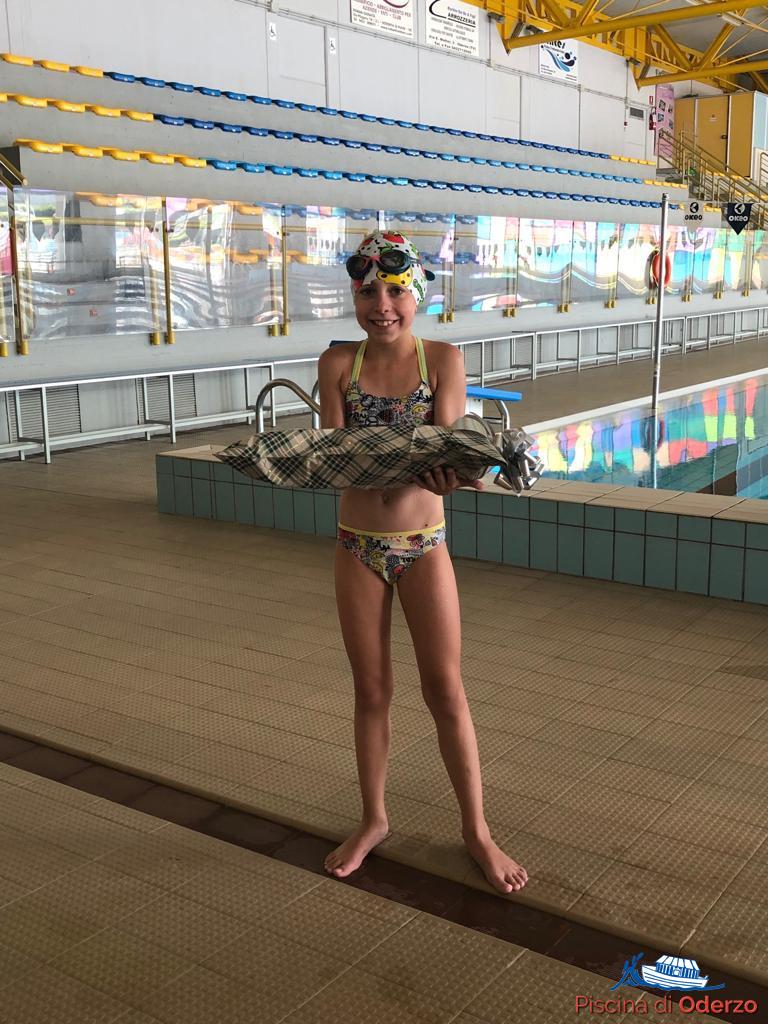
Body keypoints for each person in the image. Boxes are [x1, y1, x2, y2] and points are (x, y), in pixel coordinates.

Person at [316, 230, 528, 895]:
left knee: (445, 691)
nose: (381, 306)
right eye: (368, 293)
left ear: (418, 296)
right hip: (357, 545)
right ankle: (373, 818)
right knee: (371, 691)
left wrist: (459, 477)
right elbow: (332, 460)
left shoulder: (443, 360)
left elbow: (455, 450)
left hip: (424, 545)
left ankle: (478, 830)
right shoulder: (337, 364)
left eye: (394, 292)